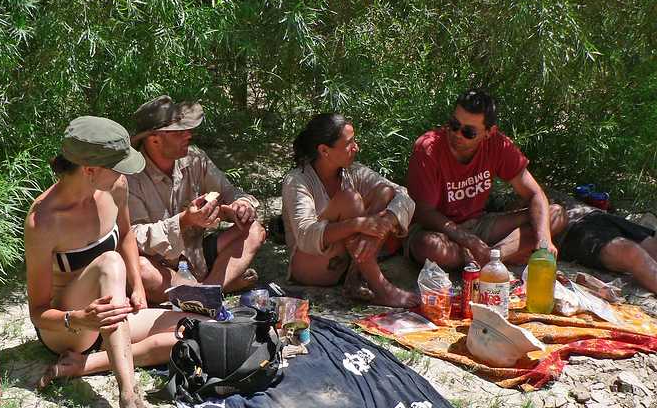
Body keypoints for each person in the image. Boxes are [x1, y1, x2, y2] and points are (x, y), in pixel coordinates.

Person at [25, 116, 197, 408]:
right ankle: (130, 402)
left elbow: (127, 235)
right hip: (69, 327)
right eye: (118, 165)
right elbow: (38, 312)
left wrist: (136, 285)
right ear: (89, 169)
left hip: (110, 313)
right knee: (109, 262)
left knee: (194, 327)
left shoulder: (115, 186)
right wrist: (79, 318)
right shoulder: (43, 220)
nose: (126, 172)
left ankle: (83, 366)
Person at [405, 89, 568, 269]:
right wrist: (465, 239)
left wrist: (543, 239)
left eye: (469, 132)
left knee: (554, 215)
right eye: (454, 124)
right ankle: (496, 257)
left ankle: (491, 258)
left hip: (480, 225)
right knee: (428, 247)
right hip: (438, 230)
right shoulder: (428, 149)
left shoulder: (498, 144)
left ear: (489, 132)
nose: (457, 134)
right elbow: (424, 213)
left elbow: (535, 193)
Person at [127, 96, 266, 303]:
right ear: (154, 139)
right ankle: (212, 290)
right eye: (179, 132)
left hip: (197, 256)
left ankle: (204, 293)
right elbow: (133, 237)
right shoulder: (130, 178)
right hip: (162, 267)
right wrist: (184, 221)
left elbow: (229, 191)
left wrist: (241, 205)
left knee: (254, 230)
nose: (188, 135)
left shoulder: (194, 159)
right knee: (141, 269)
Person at [281, 113, 418, 307]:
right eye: (349, 143)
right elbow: (305, 235)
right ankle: (382, 288)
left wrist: (385, 221)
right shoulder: (297, 180)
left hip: (346, 262)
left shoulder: (353, 172)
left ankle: (355, 275)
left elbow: (403, 196)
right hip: (312, 267)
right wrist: (359, 225)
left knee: (385, 191)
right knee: (350, 199)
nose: (356, 148)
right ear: (324, 150)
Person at [559, 205, 657, 293]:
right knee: (631, 253)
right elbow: (631, 254)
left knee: (651, 249)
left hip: (595, 214)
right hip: (574, 227)